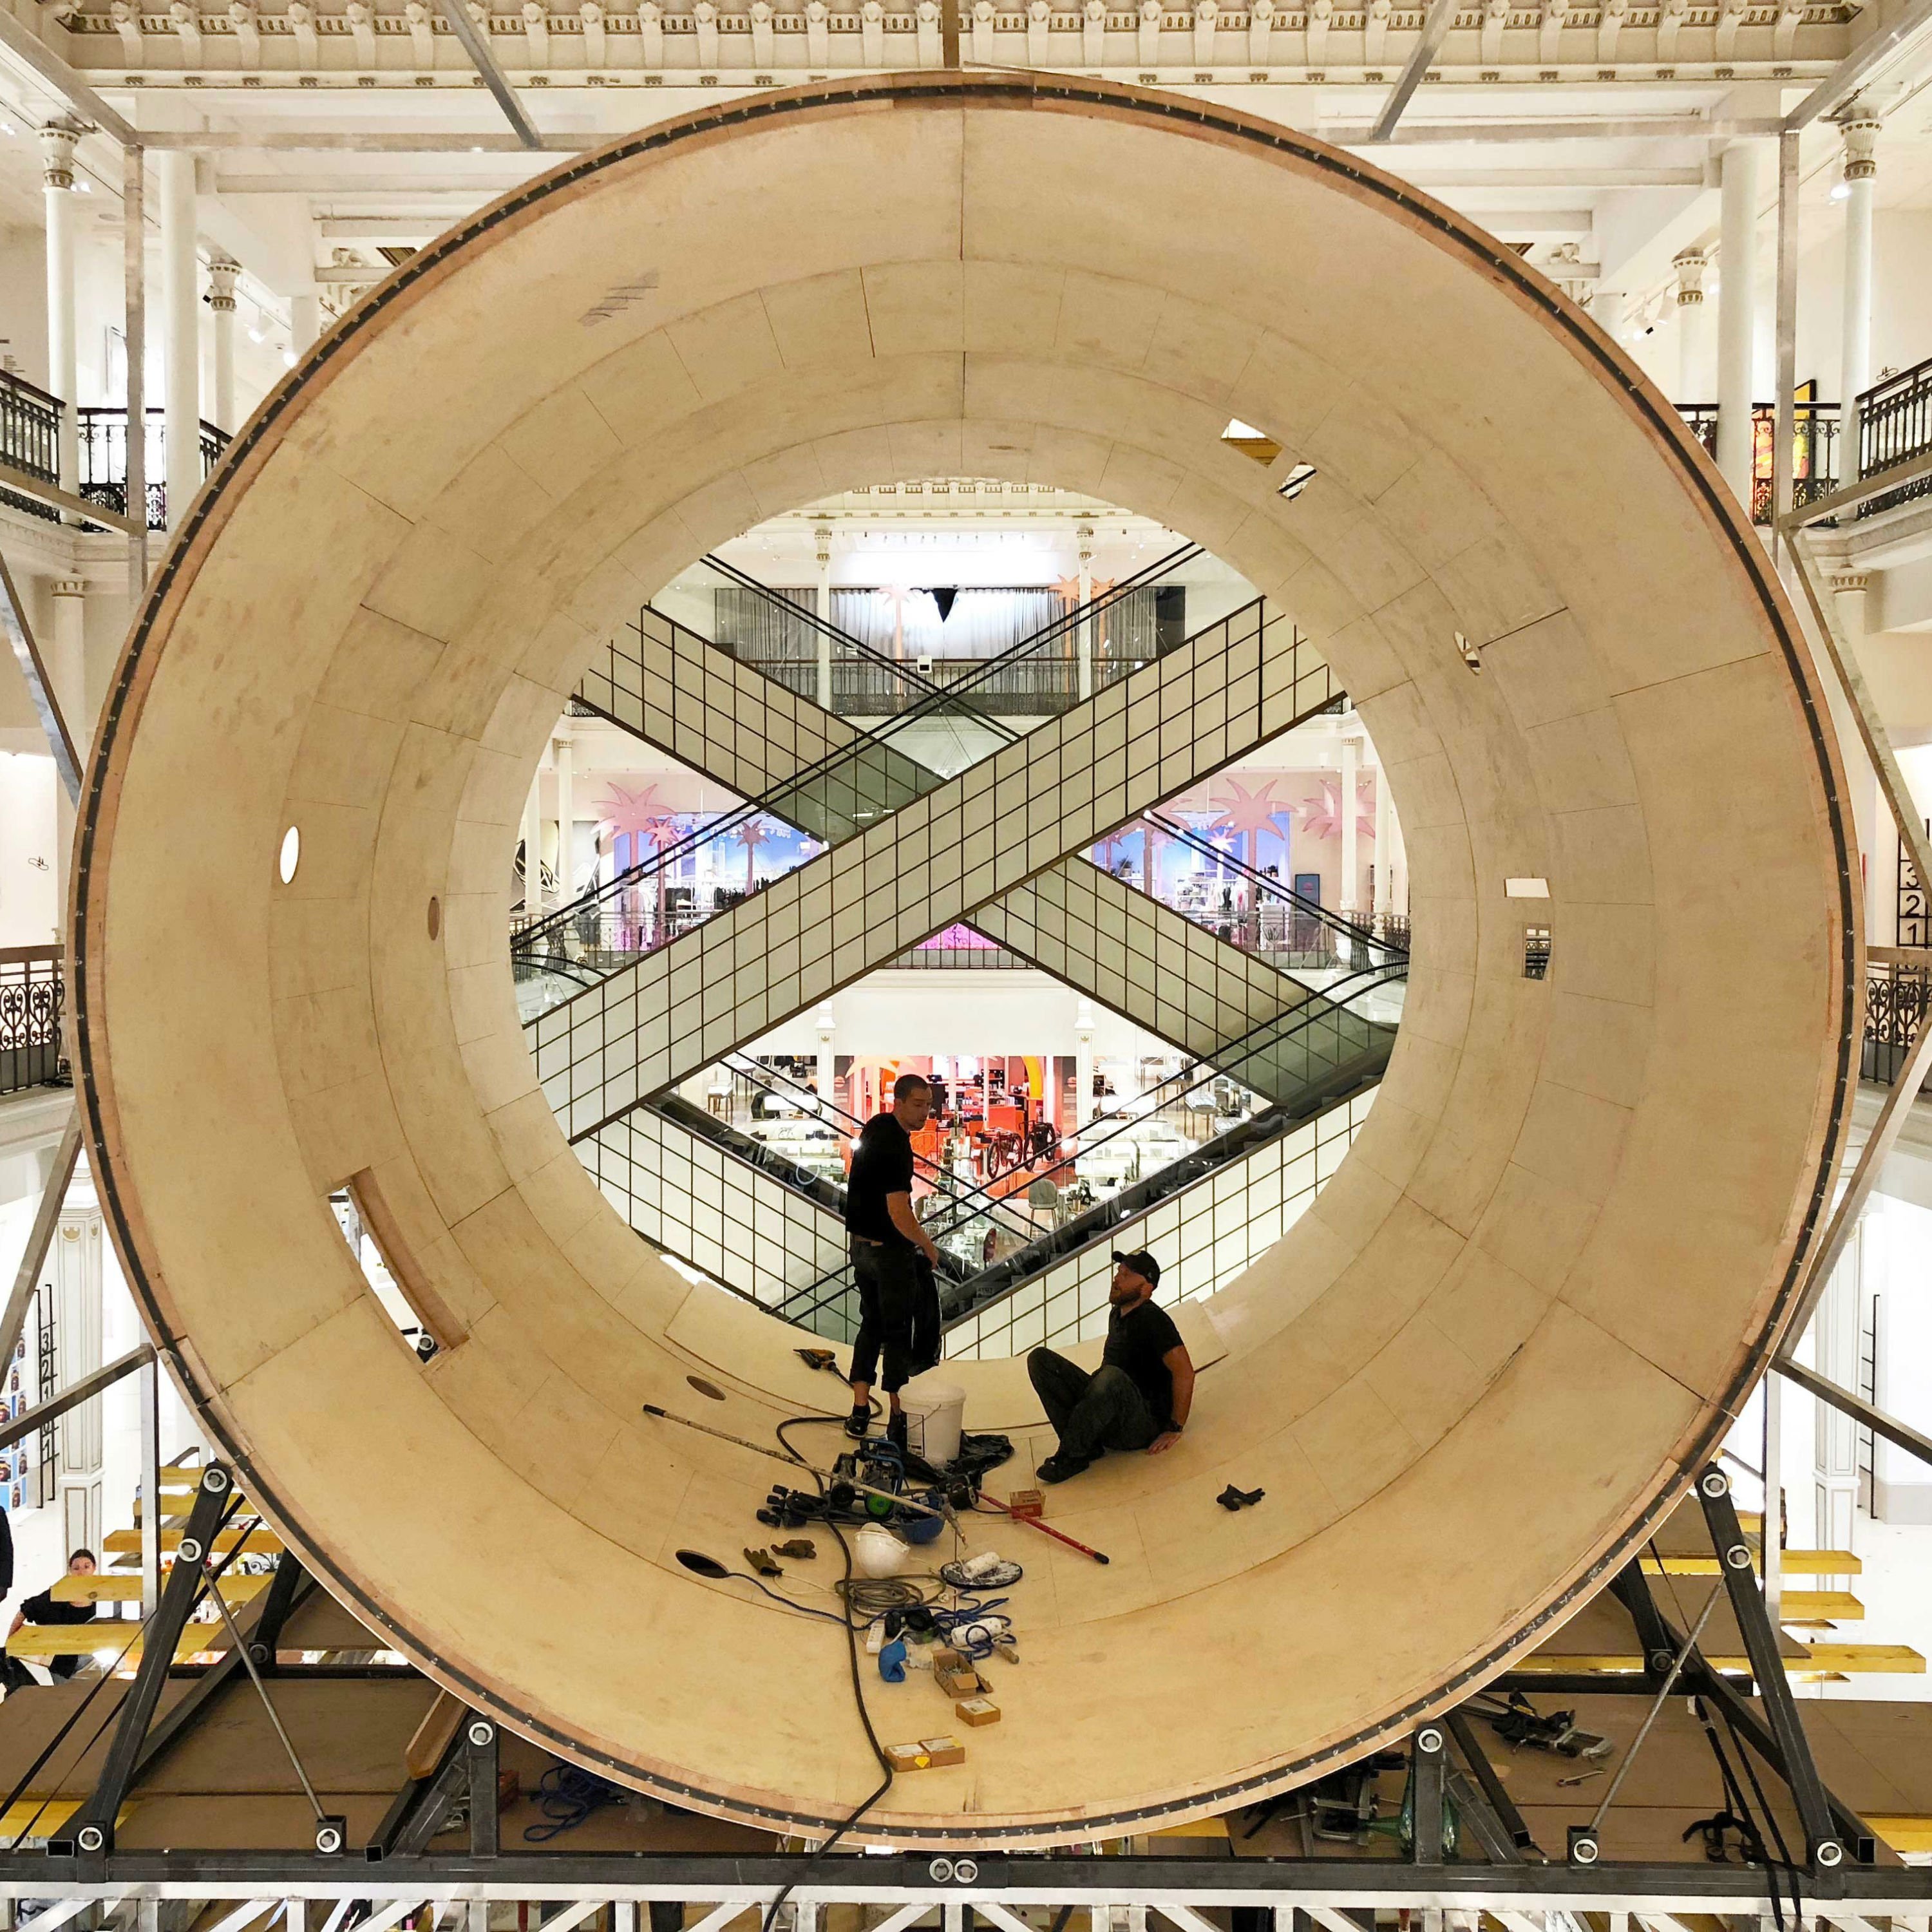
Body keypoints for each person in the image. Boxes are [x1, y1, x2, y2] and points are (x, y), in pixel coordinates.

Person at [1027, 1251, 1194, 1482]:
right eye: (1118, 1272)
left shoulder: (1154, 1320)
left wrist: (1175, 1427)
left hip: (1139, 1424)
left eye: (1126, 1275)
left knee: (1111, 1377)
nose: (1117, 1279)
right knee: (1040, 1360)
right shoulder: (1117, 1313)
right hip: (1112, 1410)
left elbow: (1184, 1371)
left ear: (1147, 1287)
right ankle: (1087, 1444)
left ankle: (1072, 1455)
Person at [844, 1072, 942, 1447]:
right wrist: (927, 1245)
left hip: (862, 1248)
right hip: (888, 1252)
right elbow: (899, 1210)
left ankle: (859, 1409)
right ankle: (897, 1415)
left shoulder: (875, 1127)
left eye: (929, 1106)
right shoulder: (897, 1146)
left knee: (871, 1324)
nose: (924, 1113)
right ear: (898, 1102)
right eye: (918, 1105)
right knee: (898, 1331)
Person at [5, 1549, 101, 1686]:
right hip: (62, 1665)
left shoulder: (104, 1595)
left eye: (87, 1567)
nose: (82, 1572)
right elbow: (26, 1609)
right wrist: (11, 1641)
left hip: (94, 1662)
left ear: (94, 1568)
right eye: (76, 1568)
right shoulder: (57, 1594)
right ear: (70, 1571)